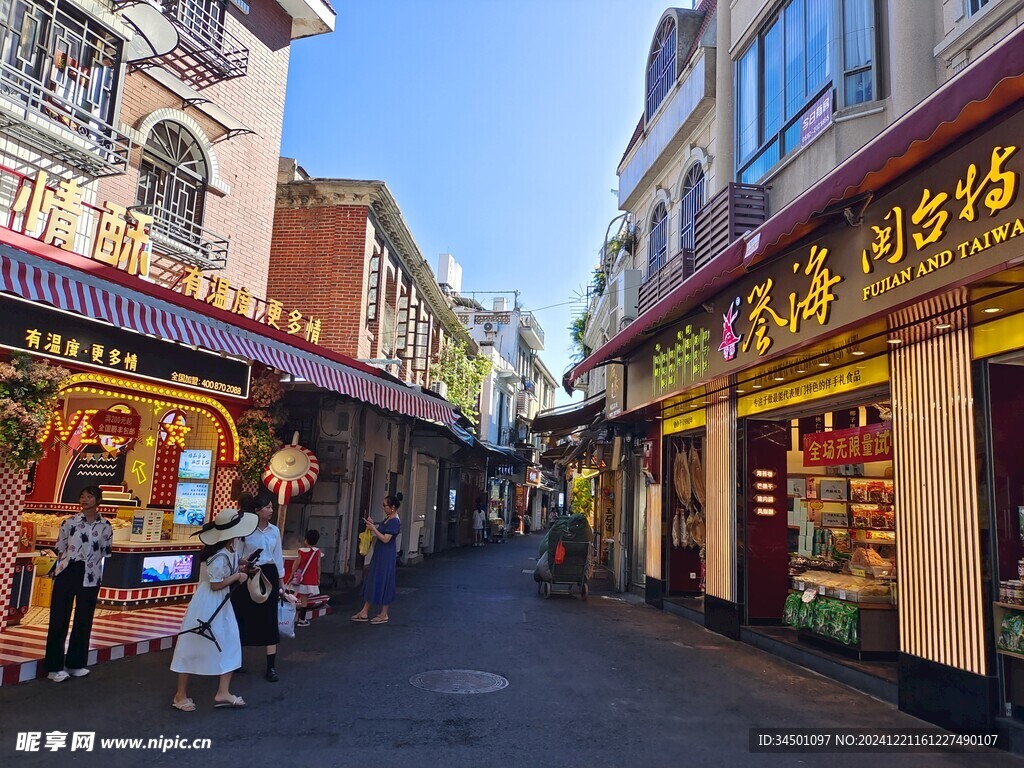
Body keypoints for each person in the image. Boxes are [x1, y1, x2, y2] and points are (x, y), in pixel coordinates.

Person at [170, 508, 257, 711]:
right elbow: (216, 584)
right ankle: (180, 695)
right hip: (209, 603)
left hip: (220, 603)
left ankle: (223, 691)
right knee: (193, 645)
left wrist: (242, 569)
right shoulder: (219, 555)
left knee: (230, 643)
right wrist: (237, 576)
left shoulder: (230, 550)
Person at [44, 485, 113, 682]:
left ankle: (76, 663)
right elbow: (60, 547)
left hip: (91, 574)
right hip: (68, 571)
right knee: (59, 618)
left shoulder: (105, 526)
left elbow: (106, 551)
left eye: (89, 496)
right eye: (82, 496)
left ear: (97, 500)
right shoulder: (70, 522)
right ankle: (53, 667)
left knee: (84, 618)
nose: (84, 500)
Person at [231, 491, 284, 682]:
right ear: (257, 510)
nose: (271, 510)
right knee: (242, 617)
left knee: (269, 618)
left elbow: (277, 557)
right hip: (248, 574)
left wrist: (282, 581)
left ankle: (271, 667)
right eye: (268, 507)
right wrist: (244, 566)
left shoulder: (274, 531)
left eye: (271, 507)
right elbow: (236, 555)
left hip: (268, 574)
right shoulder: (245, 531)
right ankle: (236, 661)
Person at [351, 493, 402, 625]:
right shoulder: (388, 518)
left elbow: (386, 539)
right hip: (381, 553)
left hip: (386, 554)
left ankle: (383, 613)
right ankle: (364, 611)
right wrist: (373, 525)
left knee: (385, 580)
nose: (383, 508)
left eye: (385, 506)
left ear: (393, 507)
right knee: (374, 578)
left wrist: (373, 528)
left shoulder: (395, 521)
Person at [289, 529, 322, 627]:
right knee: (305, 600)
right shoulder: (317, 552)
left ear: (306, 540)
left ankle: (293, 617)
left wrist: (292, 574)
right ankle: (302, 620)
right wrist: (318, 578)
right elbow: (318, 566)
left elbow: (296, 563)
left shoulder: (301, 551)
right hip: (311, 579)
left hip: (300, 579)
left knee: (293, 596)